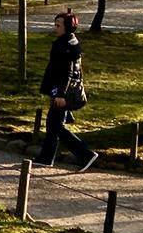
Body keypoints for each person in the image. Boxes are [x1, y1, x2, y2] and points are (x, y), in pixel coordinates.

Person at [34, 10, 97, 171]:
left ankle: (85, 154)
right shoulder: (70, 42)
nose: (55, 28)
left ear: (68, 27)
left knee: (55, 126)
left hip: (61, 91)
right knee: (53, 125)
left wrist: (60, 94)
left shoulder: (65, 45)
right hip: (59, 89)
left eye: (58, 25)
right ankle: (46, 158)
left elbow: (67, 72)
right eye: (55, 24)